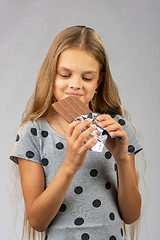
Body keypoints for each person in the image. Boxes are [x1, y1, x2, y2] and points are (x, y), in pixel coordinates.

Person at [10, 25, 143, 240]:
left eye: (87, 78)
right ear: (51, 75)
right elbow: (37, 221)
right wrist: (70, 165)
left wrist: (122, 159)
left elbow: (131, 215)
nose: (75, 85)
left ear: (99, 80)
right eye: (65, 74)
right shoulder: (33, 132)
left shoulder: (117, 129)